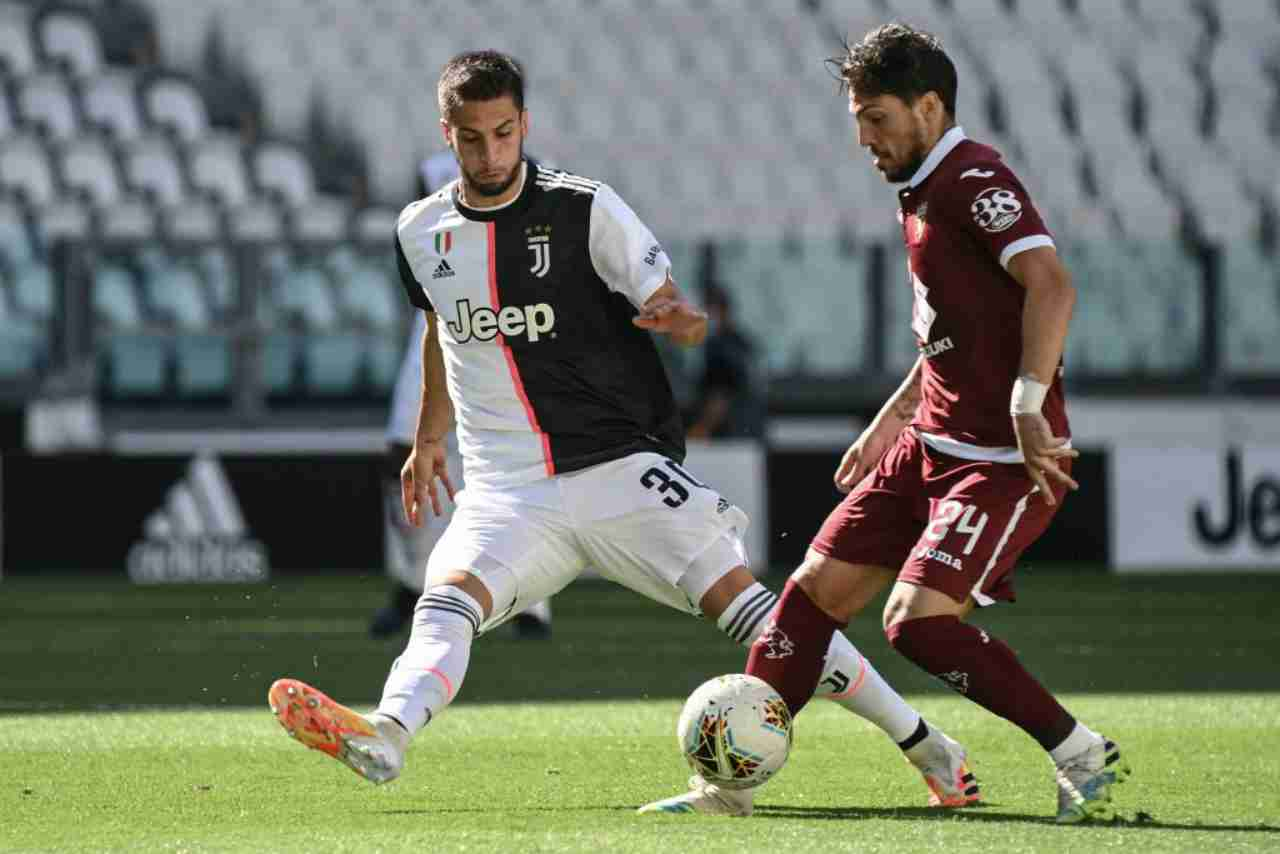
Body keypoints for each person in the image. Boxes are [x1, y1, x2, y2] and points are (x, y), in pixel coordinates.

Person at [269, 50, 976, 815]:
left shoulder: (584, 208)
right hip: (508, 489)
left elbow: (673, 301)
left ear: (523, 126)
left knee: (761, 617)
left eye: (504, 133)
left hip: (618, 472)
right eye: (471, 138)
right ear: (448, 135)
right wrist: (430, 436)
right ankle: (388, 734)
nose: (490, 153)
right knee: (445, 603)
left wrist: (684, 321)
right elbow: (443, 332)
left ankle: (929, 748)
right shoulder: (421, 230)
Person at [646, 24, 1129, 823]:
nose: (865, 139)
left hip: (999, 458)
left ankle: (1081, 754)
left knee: (917, 624)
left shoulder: (976, 179)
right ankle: (727, 791)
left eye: (877, 119)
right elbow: (952, 330)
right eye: (858, 121)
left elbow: (1052, 285)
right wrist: (890, 418)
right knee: (806, 597)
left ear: (930, 106)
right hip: (926, 445)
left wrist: (1025, 399)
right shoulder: (924, 190)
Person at [369, 151, 552, 641]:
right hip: (436, 323)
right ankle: (411, 585)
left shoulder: (537, 168)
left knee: (518, 464)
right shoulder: (431, 169)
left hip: (505, 325)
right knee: (400, 456)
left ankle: (531, 603)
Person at [685, 283, 762, 440]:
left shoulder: (723, 347)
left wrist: (702, 428)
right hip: (744, 433)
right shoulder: (740, 342)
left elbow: (721, 395)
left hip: (727, 435)